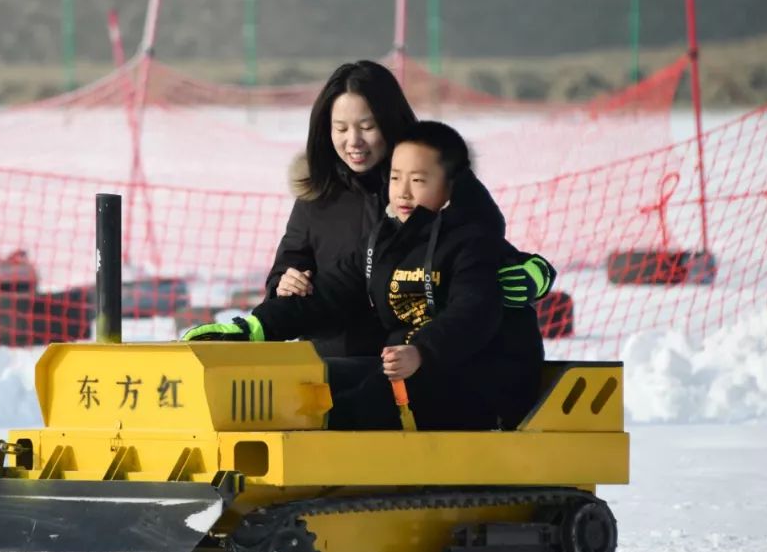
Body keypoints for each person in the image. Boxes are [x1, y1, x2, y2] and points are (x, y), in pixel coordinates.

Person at [186, 121, 544, 432]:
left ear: (451, 187)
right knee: (308, 385)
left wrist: (421, 351)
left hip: (480, 380)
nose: (403, 192)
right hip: (413, 369)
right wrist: (256, 329)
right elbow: (331, 291)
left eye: (418, 180)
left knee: (345, 410)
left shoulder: (473, 242)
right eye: (395, 178)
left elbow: (472, 315)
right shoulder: (387, 240)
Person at [265, 60, 554, 358]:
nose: (353, 141)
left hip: (415, 364)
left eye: (367, 127)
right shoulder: (317, 193)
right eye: (341, 129)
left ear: (389, 122)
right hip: (332, 361)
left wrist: (535, 275)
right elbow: (287, 269)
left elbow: (485, 249)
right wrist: (284, 284)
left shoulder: (435, 180)